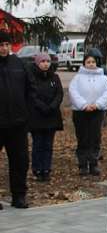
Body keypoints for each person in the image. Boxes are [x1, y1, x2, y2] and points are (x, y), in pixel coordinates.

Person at [0, 31, 33, 209]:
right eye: (1, 45)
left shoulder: (18, 64)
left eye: (6, 44)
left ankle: (19, 196)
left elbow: (29, 90)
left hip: (18, 123)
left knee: (20, 161)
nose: (4, 48)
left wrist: (26, 114)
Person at [69, 52, 107, 176]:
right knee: (82, 138)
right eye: (88, 62)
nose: (91, 64)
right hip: (80, 112)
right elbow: (73, 92)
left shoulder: (103, 78)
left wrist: (97, 104)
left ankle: (93, 164)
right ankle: (83, 164)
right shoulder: (77, 78)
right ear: (84, 63)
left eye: (93, 62)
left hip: (97, 112)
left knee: (95, 138)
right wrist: (83, 105)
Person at [27, 53, 63, 182]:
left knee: (48, 144)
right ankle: (37, 169)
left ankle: (46, 169)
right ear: (37, 63)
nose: (45, 64)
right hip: (37, 116)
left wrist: (52, 106)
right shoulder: (31, 77)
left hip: (51, 116)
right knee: (38, 144)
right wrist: (42, 107)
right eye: (42, 61)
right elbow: (32, 95)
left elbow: (59, 94)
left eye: (47, 61)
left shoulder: (55, 77)